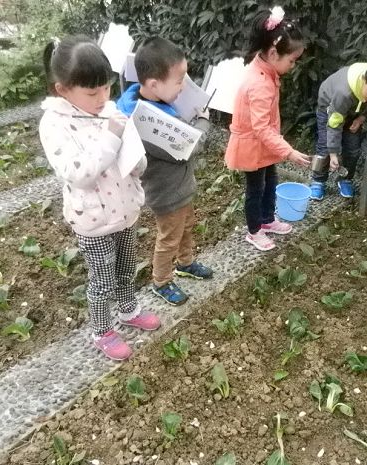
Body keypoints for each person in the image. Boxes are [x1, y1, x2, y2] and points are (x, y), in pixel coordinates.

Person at [39, 36, 160, 361]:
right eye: (92, 93)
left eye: (106, 88)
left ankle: (128, 309)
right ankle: (102, 330)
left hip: (125, 209)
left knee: (126, 268)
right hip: (92, 219)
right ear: (62, 89)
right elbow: (79, 173)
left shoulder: (108, 109)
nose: (103, 97)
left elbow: (131, 152)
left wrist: (137, 161)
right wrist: (111, 137)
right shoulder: (54, 124)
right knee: (102, 280)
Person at [117, 37, 213, 306]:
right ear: (153, 85)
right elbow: (190, 147)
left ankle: (185, 263)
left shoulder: (146, 100)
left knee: (186, 227)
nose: (183, 87)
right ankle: (161, 281)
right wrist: (202, 121)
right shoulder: (149, 122)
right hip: (167, 193)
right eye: (180, 81)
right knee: (169, 238)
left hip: (179, 188)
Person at [224, 6, 311, 252]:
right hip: (252, 146)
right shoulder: (260, 83)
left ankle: (267, 219)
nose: (293, 66)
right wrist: (288, 152)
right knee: (256, 188)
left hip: (263, 144)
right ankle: (254, 231)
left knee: (270, 180)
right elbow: (261, 128)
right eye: (291, 60)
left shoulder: (265, 68)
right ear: (273, 53)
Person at [310, 60, 367, 200]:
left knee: (353, 148)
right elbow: (334, 123)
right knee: (324, 147)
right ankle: (318, 180)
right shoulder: (343, 93)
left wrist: (361, 119)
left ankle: (345, 178)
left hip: (354, 112)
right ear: (363, 79)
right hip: (330, 108)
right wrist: (333, 153)